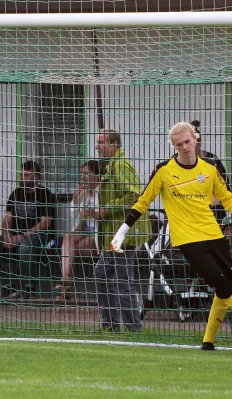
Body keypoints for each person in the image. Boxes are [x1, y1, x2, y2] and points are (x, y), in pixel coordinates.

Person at [110, 122, 232, 351]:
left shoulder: (209, 169)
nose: (185, 147)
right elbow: (142, 202)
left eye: (187, 142)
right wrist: (122, 231)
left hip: (213, 234)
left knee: (224, 285)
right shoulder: (164, 171)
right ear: (174, 146)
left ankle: (208, 342)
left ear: (195, 139)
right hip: (188, 240)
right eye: (179, 144)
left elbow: (227, 197)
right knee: (223, 286)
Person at [91, 129, 151, 332]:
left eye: (101, 142)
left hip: (124, 235)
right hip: (112, 234)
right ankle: (110, 324)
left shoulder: (121, 165)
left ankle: (134, 328)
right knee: (101, 272)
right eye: (97, 142)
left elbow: (134, 195)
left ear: (114, 144)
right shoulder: (112, 166)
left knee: (124, 281)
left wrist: (107, 209)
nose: (97, 146)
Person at [0, 160, 56, 298]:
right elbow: (7, 219)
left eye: (27, 175)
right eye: (22, 175)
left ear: (36, 176)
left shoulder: (45, 194)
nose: (23, 178)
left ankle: (29, 287)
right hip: (15, 236)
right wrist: (6, 236)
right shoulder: (16, 194)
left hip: (39, 236)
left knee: (25, 247)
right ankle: (7, 286)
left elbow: (45, 223)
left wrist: (22, 236)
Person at [55, 160, 103, 301]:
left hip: (98, 235)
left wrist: (93, 212)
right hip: (84, 230)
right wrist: (75, 200)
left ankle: (64, 287)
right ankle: (65, 280)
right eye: (82, 174)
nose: (83, 177)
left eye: (87, 174)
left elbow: (105, 216)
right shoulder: (84, 192)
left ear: (97, 176)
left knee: (70, 250)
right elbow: (75, 216)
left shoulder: (103, 191)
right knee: (68, 238)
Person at [191, 119, 229, 222]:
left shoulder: (212, 160)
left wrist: (213, 201)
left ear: (199, 142)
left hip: (213, 211)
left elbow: (224, 184)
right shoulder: (177, 160)